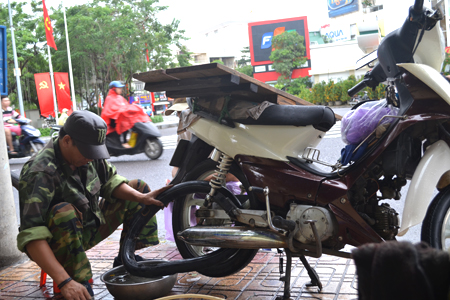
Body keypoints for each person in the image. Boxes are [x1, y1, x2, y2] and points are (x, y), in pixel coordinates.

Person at [17, 110, 171, 300]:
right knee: (63, 212)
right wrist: (64, 281)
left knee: (138, 188)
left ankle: (126, 259)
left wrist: (143, 198)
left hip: (88, 227)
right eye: (87, 152)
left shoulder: (88, 154)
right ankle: (78, 279)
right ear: (66, 141)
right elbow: (31, 236)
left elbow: (111, 181)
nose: (91, 158)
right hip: (57, 243)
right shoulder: (40, 172)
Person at [101, 81, 149, 148]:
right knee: (124, 124)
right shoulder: (109, 98)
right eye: (119, 88)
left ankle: (128, 142)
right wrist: (119, 112)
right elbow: (109, 111)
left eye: (121, 88)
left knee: (130, 124)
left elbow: (126, 106)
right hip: (113, 121)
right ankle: (124, 143)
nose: (121, 89)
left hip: (121, 118)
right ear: (114, 89)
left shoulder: (120, 97)